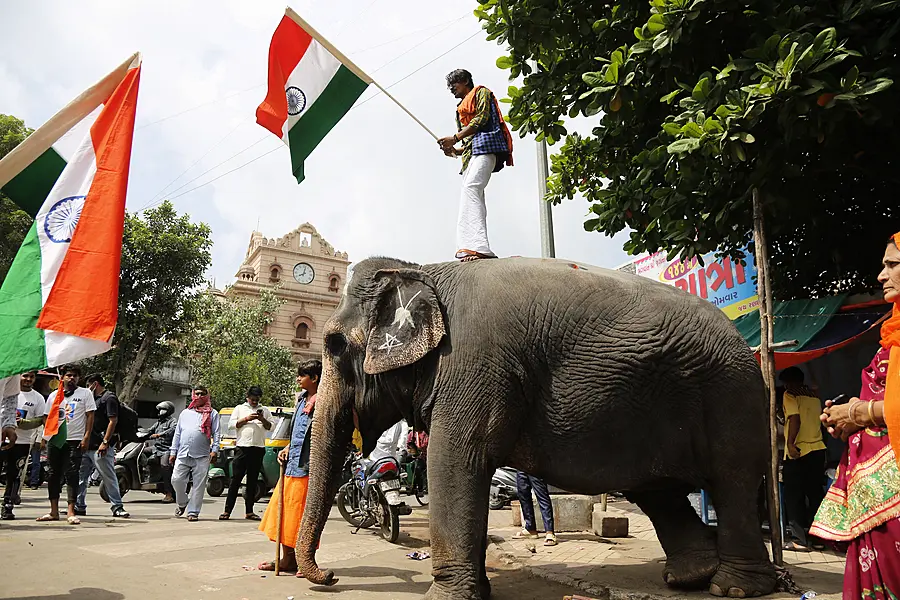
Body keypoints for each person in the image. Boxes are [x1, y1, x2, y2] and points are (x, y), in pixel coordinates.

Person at [810, 232, 900, 597]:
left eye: (892, 265)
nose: (881, 276)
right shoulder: (892, 333)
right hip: (875, 503)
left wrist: (859, 413)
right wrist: (846, 420)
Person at [437, 68, 514, 262]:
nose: (451, 90)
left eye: (453, 85)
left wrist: (454, 138)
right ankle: (469, 245)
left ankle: (478, 245)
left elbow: (482, 119)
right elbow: (469, 143)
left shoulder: (481, 93)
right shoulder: (460, 108)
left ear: (464, 81)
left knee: (472, 188)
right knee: (471, 193)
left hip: (487, 149)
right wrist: (454, 150)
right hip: (473, 155)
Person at [259, 360, 320, 574]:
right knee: (284, 514)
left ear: (314, 378)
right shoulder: (302, 400)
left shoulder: (324, 401)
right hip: (292, 464)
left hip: (310, 467)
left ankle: (305, 560)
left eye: (302, 375)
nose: (298, 379)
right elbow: (296, 432)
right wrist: (286, 447)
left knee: (304, 517)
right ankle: (287, 560)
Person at [37, 365, 95, 525]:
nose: (72, 378)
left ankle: (71, 511)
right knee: (53, 475)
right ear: (62, 377)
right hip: (56, 441)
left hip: (74, 440)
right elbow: (46, 417)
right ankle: (53, 511)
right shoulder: (54, 396)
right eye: (69, 375)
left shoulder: (85, 393)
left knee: (72, 474)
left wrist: (86, 437)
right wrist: (47, 436)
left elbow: (90, 416)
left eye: (75, 375)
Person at [779, 367, 826, 550]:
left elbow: (795, 418)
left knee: (794, 496)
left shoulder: (790, 395)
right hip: (817, 449)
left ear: (789, 382)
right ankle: (819, 539)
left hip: (799, 451)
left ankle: (799, 540)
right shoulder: (814, 396)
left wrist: (790, 443)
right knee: (815, 494)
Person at [74, 374, 129, 518]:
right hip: (87, 444)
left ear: (95, 384)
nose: (87, 389)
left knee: (108, 476)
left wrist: (105, 442)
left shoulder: (108, 398)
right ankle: (79, 505)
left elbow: (113, 421)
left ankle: (117, 506)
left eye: (88, 385)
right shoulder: (91, 399)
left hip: (101, 446)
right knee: (81, 477)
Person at [220, 385, 272, 521]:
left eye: (257, 400)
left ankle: (249, 511)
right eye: (252, 399)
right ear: (247, 398)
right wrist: (246, 419)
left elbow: (270, 427)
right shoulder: (240, 409)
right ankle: (227, 510)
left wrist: (261, 419)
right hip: (243, 448)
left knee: (252, 481)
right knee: (235, 480)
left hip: (258, 448)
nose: (254, 402)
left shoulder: (265, 410)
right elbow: (231, 425)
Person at [170, 386, 220, 522]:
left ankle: (193, 512)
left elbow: (216, 433)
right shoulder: (185, 413)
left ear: (207, 396)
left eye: (202, 394)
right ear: (193, 395)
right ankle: (182, 502)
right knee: (176, 480)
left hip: (202, 455)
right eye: (196, 394)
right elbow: (178, 433)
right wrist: (173, 451)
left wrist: (215, 450)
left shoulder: (212, 413)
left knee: (199, 485)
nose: (199, 396)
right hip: (183, 453)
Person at [1, 372, 45, 519]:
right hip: (3, 440)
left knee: (14, 475)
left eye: (31, 377)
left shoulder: (38, 398)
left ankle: (8, 505)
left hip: (23, 441)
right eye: (25, 376)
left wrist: (23, 423)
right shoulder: (7, 388)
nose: (28, 379)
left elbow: (40, 420)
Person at [513, 471, 557, 546]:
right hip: (520, 466)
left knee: (542, 496)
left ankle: (549, 532)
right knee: (523, 496)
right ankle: (530, 529)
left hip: (534, 466)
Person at [147, 401, 177, 503]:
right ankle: (147, 475)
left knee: (165, 466)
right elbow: (150, 430)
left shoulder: (173, 421)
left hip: (167, 449)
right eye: (159, 410)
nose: (160, 412)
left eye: (162, 410)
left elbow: (172, 430)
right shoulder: (159, 422)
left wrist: (160, 435)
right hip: (156, 448)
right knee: (142, 452)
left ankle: (169, 493)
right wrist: (140, 432)